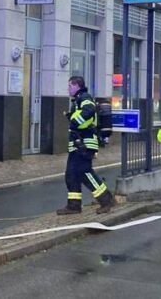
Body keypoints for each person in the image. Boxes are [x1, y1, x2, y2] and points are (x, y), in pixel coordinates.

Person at [56, 76, 115, 215]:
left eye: (70, 86)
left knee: (85, 173)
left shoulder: (84, 98)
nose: (68, 89)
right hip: (77, 144)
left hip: (85, 143)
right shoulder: (77, 100)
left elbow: (89, 110)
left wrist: (74, 121)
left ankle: (106, 200)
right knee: (71, 175)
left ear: (77, 85)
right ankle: (74, 205)